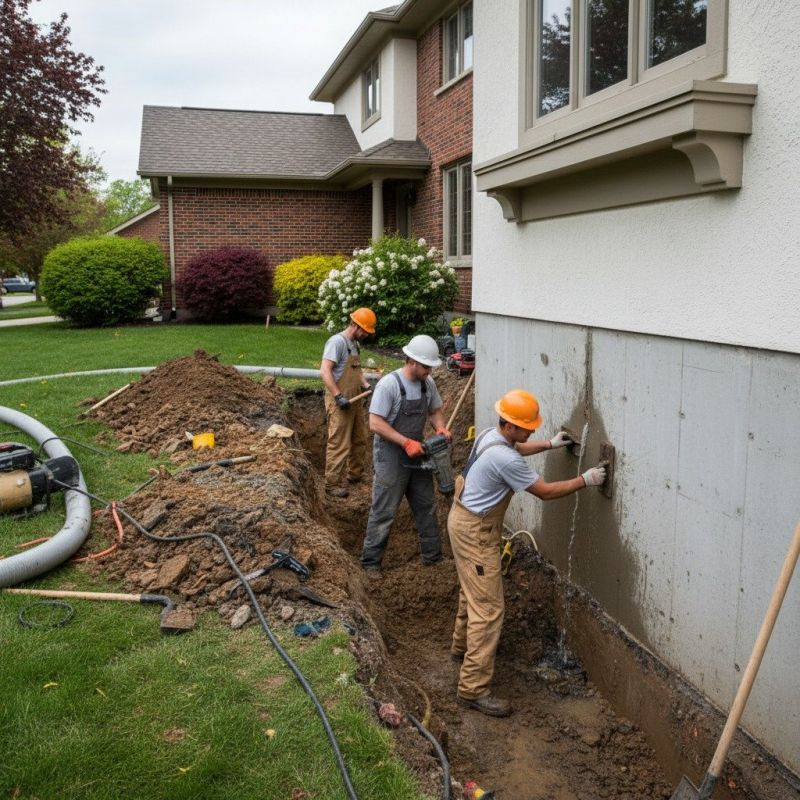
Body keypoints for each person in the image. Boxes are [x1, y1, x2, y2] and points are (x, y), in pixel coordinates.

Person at [449, 389, 607, 718]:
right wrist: (585, 479)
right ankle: (473, 688)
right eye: (526, 427)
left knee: (473, 593)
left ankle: (462, 647)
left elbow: (518, 449)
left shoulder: (493, 436)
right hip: (476, 533)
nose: (531, 431)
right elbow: (546, 492)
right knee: (489, 609)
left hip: (464, 521)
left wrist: (550, 444)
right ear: (509, 425)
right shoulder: (504, 457)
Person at [360, 333, 451, 573]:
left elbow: (435, 410)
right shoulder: (389, 385)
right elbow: (376, 423)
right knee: (384, 511)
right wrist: (405, 442)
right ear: (411, 361)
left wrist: (440, 427)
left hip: (418, 453)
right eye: (426, 366)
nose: (429, 371)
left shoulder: (427, 384)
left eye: (431, 367)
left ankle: (433, 559)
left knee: (426, 506)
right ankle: (370, 564)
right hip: (391, 456)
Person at [320, 307, 377, 498]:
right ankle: (332, 483)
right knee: (339, 443)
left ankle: (355, 475)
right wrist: (337, 396)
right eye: (365, 332)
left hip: (354, 399)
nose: (366, 335)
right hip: (340, 401)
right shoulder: (337, 342)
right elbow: (325, 371)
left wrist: (366, 385)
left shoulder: (354, 344)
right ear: (356, 325)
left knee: (359, 438)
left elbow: (357, 371)